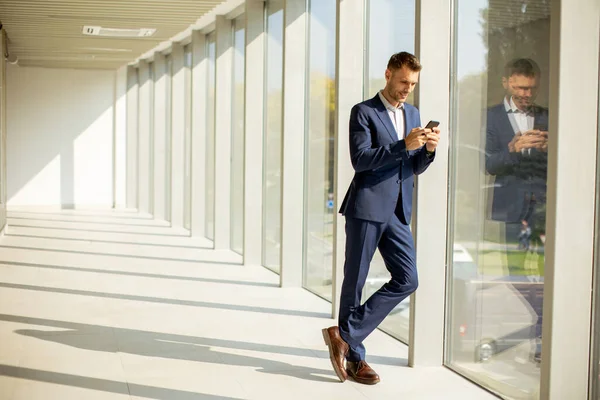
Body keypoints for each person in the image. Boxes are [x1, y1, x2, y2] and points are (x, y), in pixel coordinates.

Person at [322, 52, 439, 385]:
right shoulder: (364, 112)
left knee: (408, 278)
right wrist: (404, 145)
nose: (407, 89)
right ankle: (356, 359)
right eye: (403, 82)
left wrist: (427, 151)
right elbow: (360, 160)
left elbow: (412, 166)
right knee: (354, 283)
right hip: (367, 207)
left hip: (399, 211)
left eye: (413, 84)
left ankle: (343, 334)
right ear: (388, 74)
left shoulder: (413, 113)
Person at [485, 58, 548, 254]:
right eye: (521, 88)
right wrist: (512, 151)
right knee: (513, 267)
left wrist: (550, 150)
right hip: (510, 204)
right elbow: (488, 165)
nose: (527, 94)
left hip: (543, 205)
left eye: (532, 88)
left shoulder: (549, 117)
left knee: (546, 265)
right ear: (506, 83)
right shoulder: (490, 117)